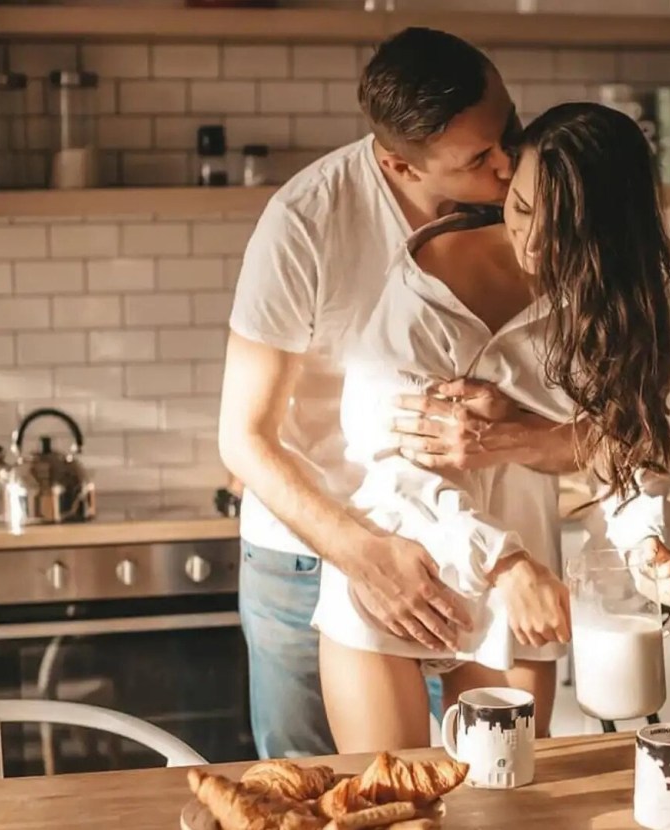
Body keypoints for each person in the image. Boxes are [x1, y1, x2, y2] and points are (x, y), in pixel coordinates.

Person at [219, 28, 586, 760]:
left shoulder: (524, 205)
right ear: (396, 161)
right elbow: (244, 438)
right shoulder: (306, 223)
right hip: (314, 551)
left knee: (485, 793)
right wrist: (363, 552)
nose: (508, 162)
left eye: (507, 130)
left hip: (469, 544)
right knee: (324, 793)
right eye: (479, 159)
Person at [314, 102, 670, 753]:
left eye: (564, 234)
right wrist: (503, 561)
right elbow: (390, 470)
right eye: (522, 210)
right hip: (403, 574)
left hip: (521, 598)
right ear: (509, 178)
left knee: (504, 807)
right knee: (397, 804)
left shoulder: (611, 300)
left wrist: (649, 546)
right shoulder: (426, 283)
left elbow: (619, 457)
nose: (533, 245)